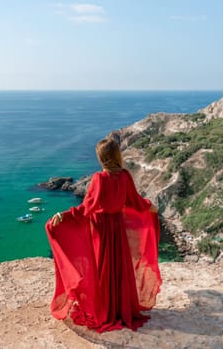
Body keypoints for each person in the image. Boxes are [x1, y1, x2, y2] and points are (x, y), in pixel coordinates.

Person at [45, 137, 162, 333]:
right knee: (119, 268)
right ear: (117, 156)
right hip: (118, 228)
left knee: (103, 270)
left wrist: (63, 215)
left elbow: (85, 209)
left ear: (102, 158)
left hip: (101, 230)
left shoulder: (99, 179)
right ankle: (120, 309)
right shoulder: (125, 176)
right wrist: (150, 206)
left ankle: (106, 310)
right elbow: (135, 202)